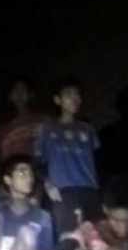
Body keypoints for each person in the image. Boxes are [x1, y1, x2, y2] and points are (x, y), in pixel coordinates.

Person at [36, 79, 103, 238]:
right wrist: (48, 184)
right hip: (63, 191)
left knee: (94, 239)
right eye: (69, 94)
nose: (75, 98)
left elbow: (98, 159)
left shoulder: (88, 129)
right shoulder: (47, 128)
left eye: (77, 95)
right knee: (69, 239)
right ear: (57, 100)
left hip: (89, 188)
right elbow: (38, 161)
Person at [0, 77, 52, 163]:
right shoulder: (4, 129)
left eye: (23, 89)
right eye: (15, 90)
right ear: (10, 96)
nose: (19, 93)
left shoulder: (44, 120)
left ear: (30, 95)